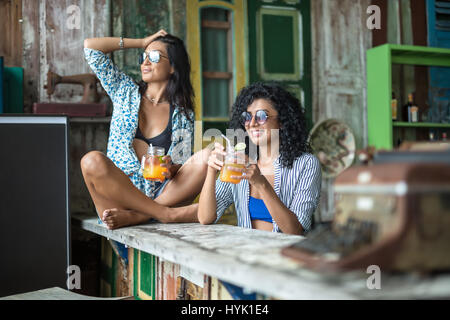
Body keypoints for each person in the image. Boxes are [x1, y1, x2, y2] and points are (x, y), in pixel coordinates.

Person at [81, 30, 210, 230]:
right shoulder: (123, 90)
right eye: (144, 57)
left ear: (173, 67)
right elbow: (91, 47)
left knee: (207, 157)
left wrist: (170, 167)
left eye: (155, 57)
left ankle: (139, 216)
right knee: (91, 161)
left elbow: (181, 167)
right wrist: (141, 41)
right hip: (118, 199)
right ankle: (164, 215)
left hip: (160, 194)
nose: (145, 63)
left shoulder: (183, 114)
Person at [198, 82, 322, 235]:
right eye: (247, 117)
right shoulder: (239, 162)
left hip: (283, 255)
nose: (251, 124)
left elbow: (294, 230)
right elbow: (205, 217)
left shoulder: (306, 164)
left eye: (261, 116)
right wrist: (211, 172)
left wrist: (261, 183)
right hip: (246, 253)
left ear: (282, 121)